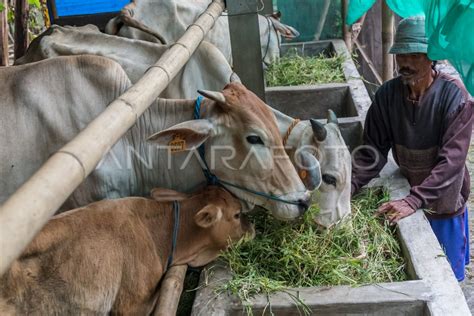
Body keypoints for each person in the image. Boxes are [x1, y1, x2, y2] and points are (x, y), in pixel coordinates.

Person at [351, 16, 473, 281]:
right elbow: (372, 150)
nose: (405, 63)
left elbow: (452, 162)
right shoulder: (387, 96)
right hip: (407, 186)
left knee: (447, 276)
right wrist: (348, 185)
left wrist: (414, 200)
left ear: (432, 58)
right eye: (401, 54)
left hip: (443, 197)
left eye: (415, 55)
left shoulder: (455, 97)